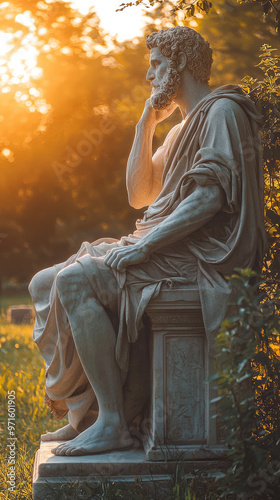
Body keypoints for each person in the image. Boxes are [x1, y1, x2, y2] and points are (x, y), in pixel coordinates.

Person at [29, 26, 267, 456]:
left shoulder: (223, 113)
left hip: (200, 255)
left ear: (178, 65)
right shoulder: (179, 131)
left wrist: (146, 246)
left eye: (156, 64)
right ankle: (86, 413)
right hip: (166, 245)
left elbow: (210, 197)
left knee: (74, 282)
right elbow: (140, 193)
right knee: (43, 283)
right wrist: (146, 123)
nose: (149, 75)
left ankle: (114, 424)